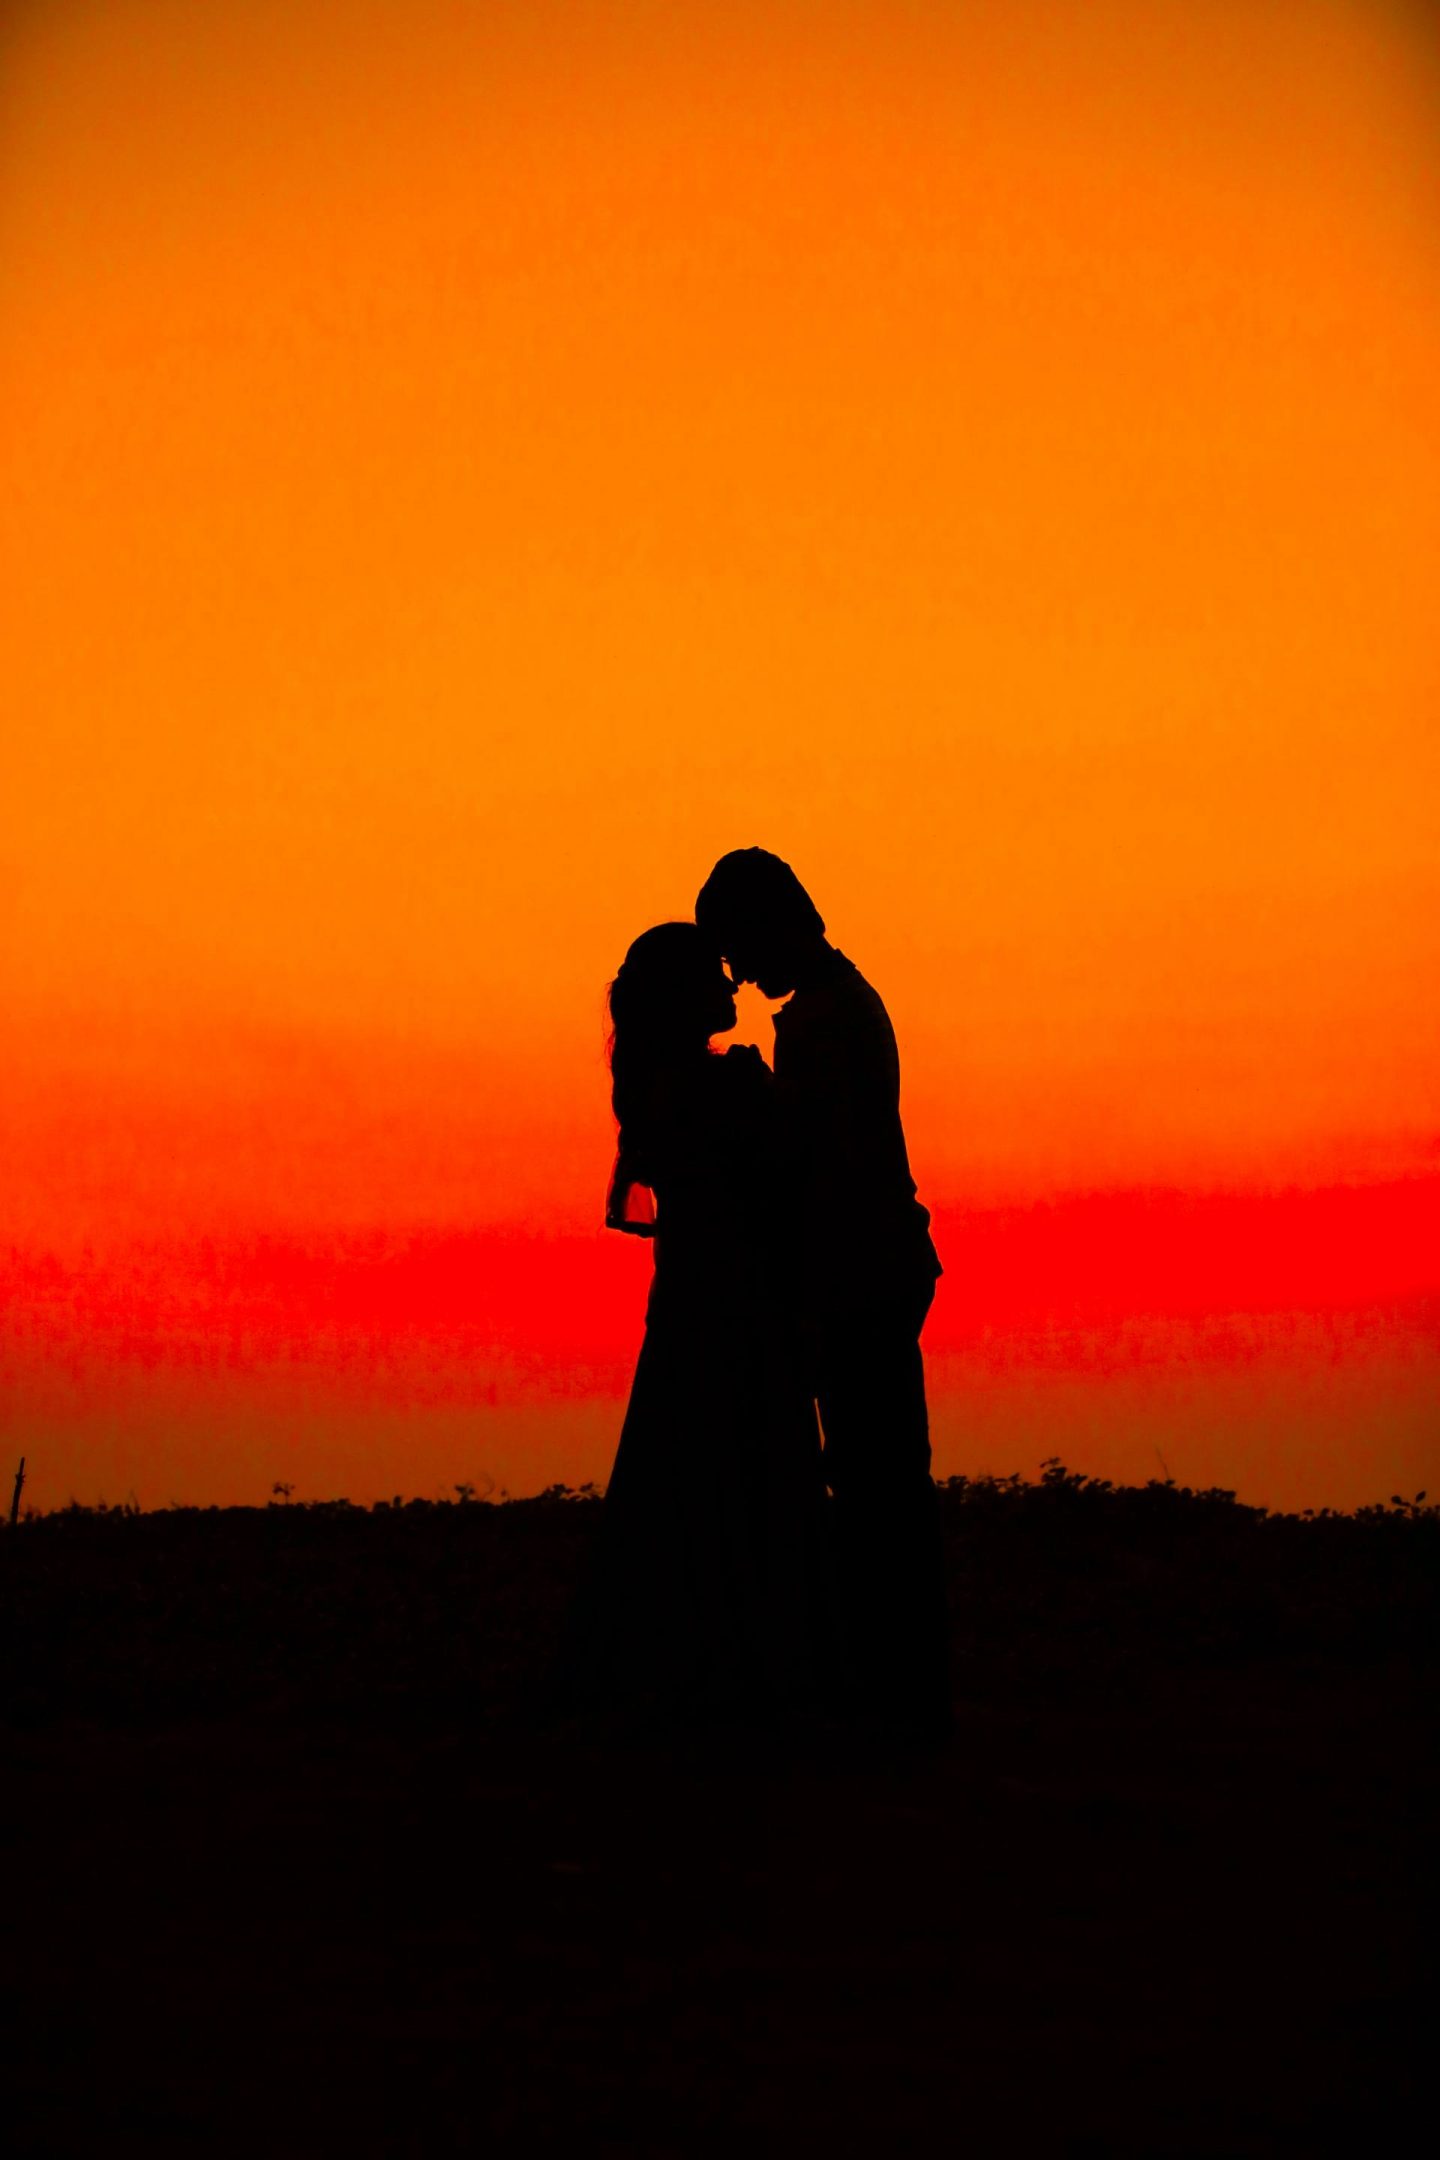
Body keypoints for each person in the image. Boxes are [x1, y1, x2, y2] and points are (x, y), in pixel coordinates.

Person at [695, 849, 949, 1735]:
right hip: (875, 1266)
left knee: (876, 1483)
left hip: (858, 1274)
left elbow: (818, 1167)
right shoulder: (844, 1005)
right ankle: (899, 1678)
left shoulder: (824, 1024)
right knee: (882, 1479)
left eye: (740, 948)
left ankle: (898, 1687)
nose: (740, 974)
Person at [573, 921, 825, 1722]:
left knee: (687, 1474)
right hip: (733, 1304)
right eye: (715, 974)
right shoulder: (711, 1090)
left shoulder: (667, 1087)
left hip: (695, 1298)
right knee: (739, 1469)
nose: (732, 986)